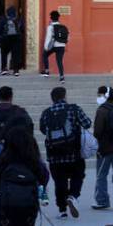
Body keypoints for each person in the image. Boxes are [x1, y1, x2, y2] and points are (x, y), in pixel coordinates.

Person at [39, 86, 92, 219]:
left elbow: (42, 129)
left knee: (59, 182)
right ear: (64, 96)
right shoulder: (73, 109)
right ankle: (73, 196)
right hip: (74, 153)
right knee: (78, 175)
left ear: (52, 98)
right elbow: (87, 123)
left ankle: (62, 210)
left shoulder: (46, 113)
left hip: (54, 154)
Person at [41, 10, 68, 82]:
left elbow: (48, 37)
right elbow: (67, 37)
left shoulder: (50, 27)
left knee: (44, 55)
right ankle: (62, 76)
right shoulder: (63, 26)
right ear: (58, 18)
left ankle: (47, 71)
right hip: (61, 46)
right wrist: (64, 44)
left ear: (51, 18)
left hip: (53, 45)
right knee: (59, 61)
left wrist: (46, 47)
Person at [0, 6, 23, 77]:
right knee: (16, 55)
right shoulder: (18, 19)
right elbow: (22, 28)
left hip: (5, 39)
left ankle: (4, 69)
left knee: (4, 54)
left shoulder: (3, 19)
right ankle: (16, 70)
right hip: (16, 39)